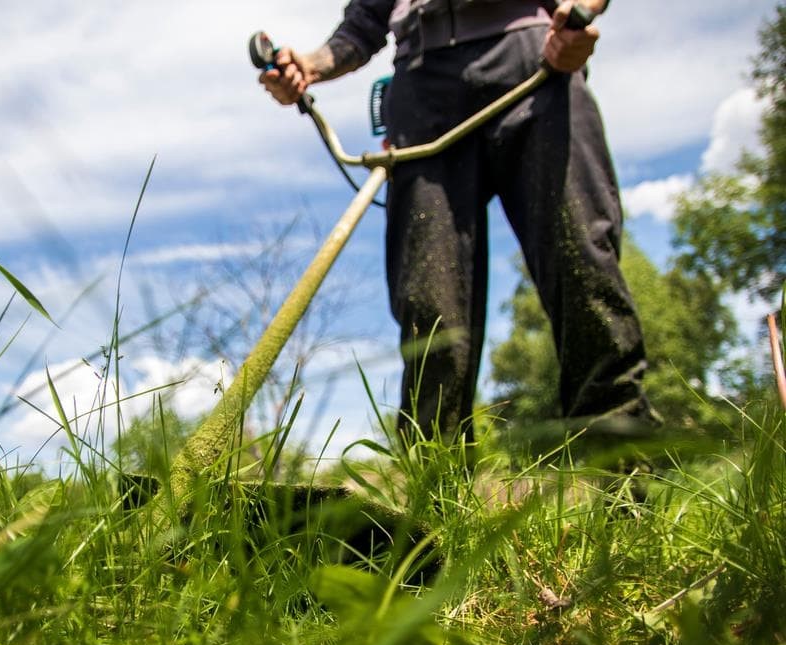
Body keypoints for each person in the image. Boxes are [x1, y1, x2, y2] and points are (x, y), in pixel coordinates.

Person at [259, 0, 659, 446]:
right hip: (422, 86)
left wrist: (577, 14)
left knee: (582, 267)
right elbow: (364, 24)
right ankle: (436, 492)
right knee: (430, 308)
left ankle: (623, 478)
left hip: (535, 63)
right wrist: (308, 66)